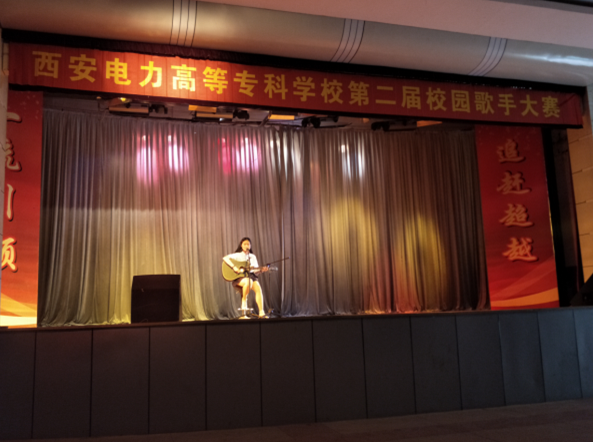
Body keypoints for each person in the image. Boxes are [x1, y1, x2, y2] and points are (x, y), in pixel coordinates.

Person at [223, 237, 269, 318]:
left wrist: (261, 270)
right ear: (241, 245)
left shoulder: (252, 257)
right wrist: (234, 267)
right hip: (239, 277)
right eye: (245, 244)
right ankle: (244, 307)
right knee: (248, 281)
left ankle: (261, 312)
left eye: (248, 244)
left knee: (258, 288)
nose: (247, 245)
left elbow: (255, 271)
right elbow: (225, 258)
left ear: (250, 246)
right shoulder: (238, 255)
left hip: (251, 276)